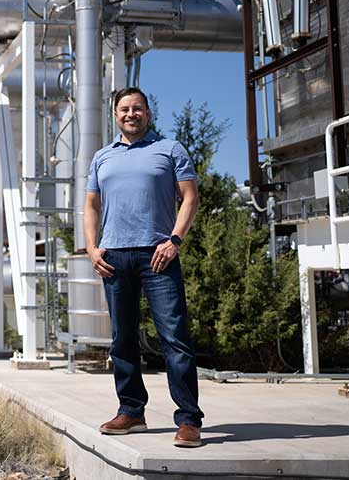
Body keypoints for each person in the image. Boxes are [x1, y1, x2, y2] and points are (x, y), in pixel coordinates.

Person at [83, 86, 205, 448]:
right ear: (115, 115)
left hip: (158, 255)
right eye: (124, 109)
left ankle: (188, 420)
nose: (130, 114)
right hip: (114, 259)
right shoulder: (102, 157)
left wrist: (175, 241)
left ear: (147, 114)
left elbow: (191, 198)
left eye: (137, 108)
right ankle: (132, 411)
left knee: (174, 338)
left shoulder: (169, 150)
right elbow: (90, 205)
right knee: (122, 339)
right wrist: (92, 248)